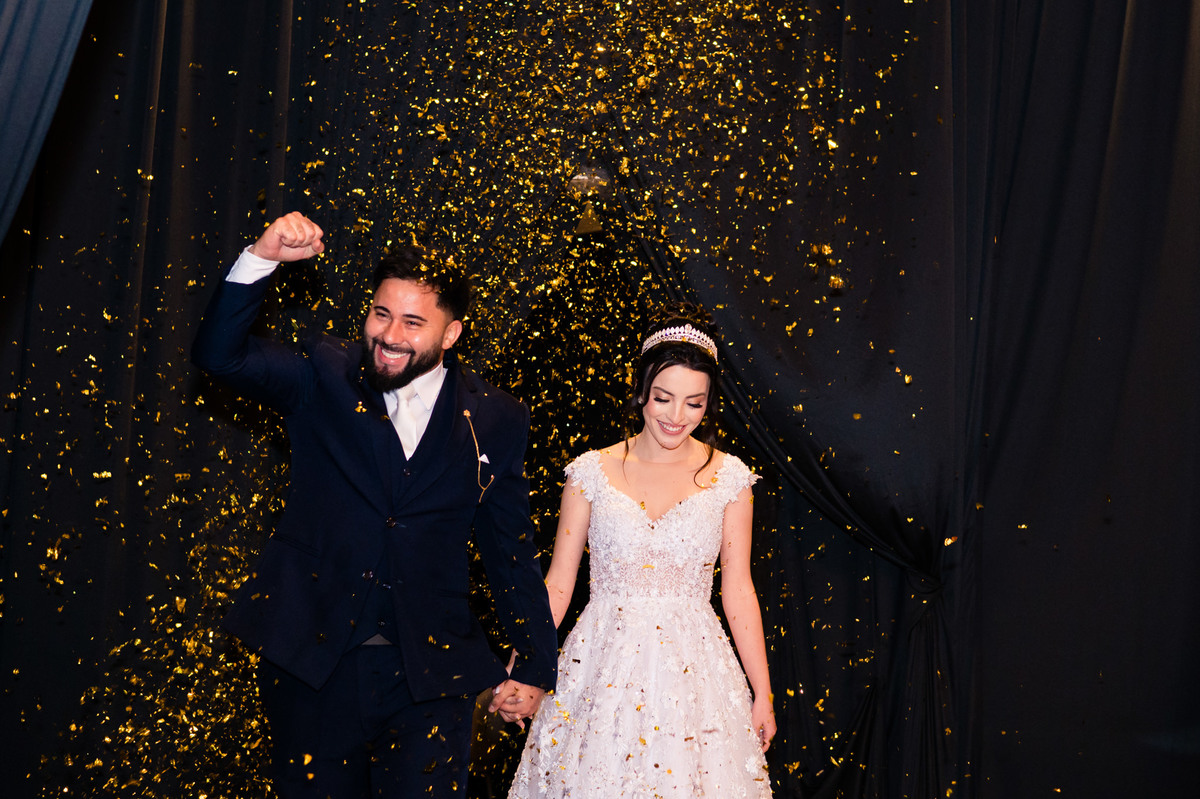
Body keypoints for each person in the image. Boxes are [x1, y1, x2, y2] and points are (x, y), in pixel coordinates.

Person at [192, 211, 557, 798]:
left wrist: (536, 666)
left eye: (413, 322)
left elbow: (509, 550)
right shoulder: (324, 372)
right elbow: (219, 356)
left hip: (432, 677)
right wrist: (261, 257)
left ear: (451, 334)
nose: (389, 335)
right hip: (314, 665)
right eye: (381, 314)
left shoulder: (496, 416)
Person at [508, 305, 776, 798]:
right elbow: (559, 583)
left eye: (694, 403)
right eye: (663, 398)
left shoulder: (731, 479)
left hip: (696, 676)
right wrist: (524, 660)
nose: (676, 417)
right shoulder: (590, 473)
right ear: (641, 391)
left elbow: (738, 589)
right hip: (600, 668)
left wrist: (763, 692)